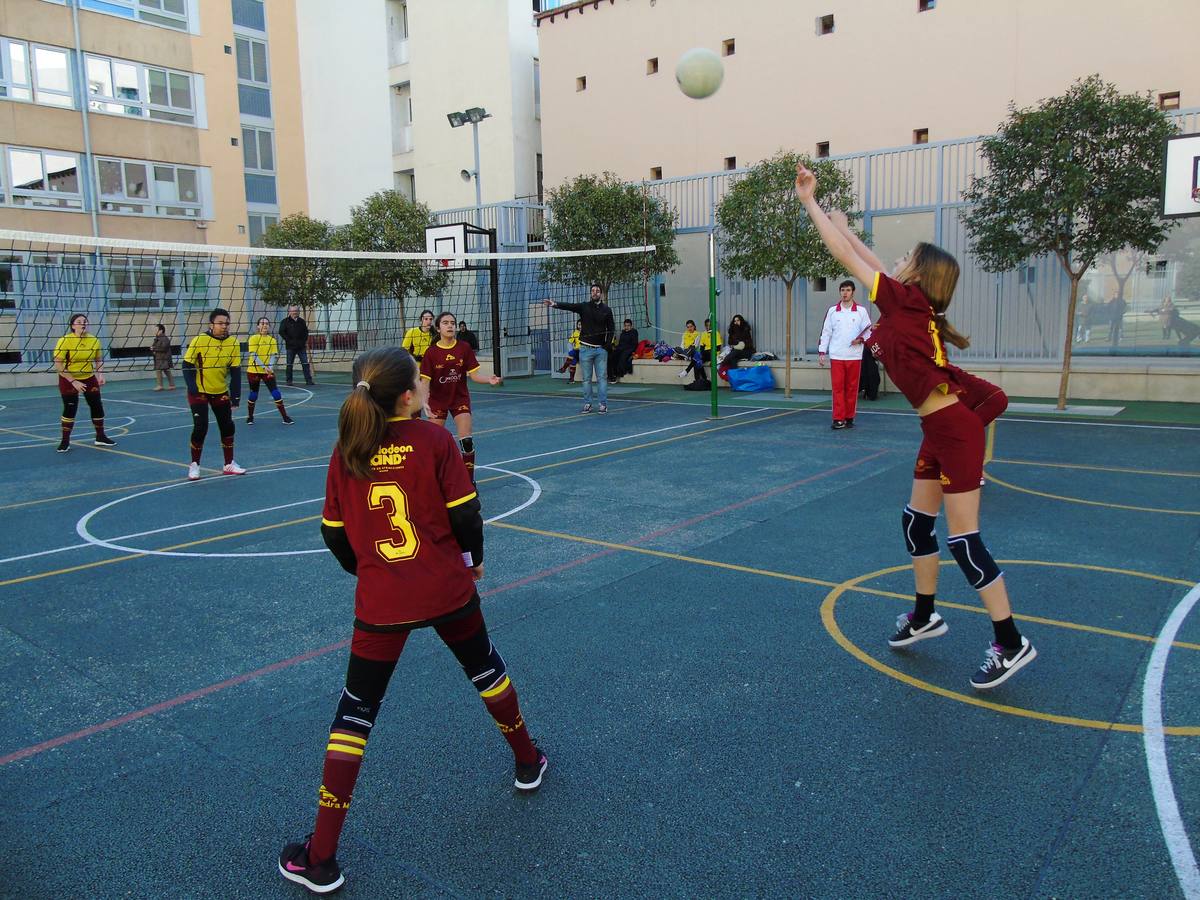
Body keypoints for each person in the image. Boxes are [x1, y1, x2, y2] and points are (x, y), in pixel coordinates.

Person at [278, 346, 546, 895]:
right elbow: (466, 514)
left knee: (355, 715)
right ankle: (527, 761)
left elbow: (333, 534)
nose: (426, 382)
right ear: (406, 395)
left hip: (382, 602)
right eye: (419, 379)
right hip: (447, 589)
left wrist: (370, 569)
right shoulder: (435, 440)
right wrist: (474, 563)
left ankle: (322, 856)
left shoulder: (347, 448)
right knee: (485, 670)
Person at [795, 163, 1036, 689]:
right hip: (938, 430)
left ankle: (1012, 642)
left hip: (951, 429)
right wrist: (842, 217)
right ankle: (926, 615)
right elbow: (862, 255)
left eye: (906, 259)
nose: (896, 262)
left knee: (965, 542)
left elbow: (846, 258)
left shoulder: (903, 300)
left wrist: (811, 205)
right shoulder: (910, 303)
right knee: (915, 525)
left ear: (918, 277)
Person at [420, 311, 502, 483]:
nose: (450, 325)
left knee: (467, 441)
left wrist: (489, 379)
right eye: (445, 323)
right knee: (435, 444)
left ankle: (469, 482)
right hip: (437, 401)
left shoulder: (464, 348)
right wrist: (423, 401)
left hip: (459, 399)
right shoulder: (431, 353)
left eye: (452, 323)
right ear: (438, 328)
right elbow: (425, 383)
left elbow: (474, 376)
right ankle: (437, 481)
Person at [182, 307, 246, 480]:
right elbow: (186, 365)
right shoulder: (200, 340)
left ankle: (229, 463)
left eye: (226, 323)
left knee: (227, 426)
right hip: (199, 392)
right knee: (201, 427)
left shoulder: (233, 343)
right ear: (211, 324)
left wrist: (236, 396)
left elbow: (235, 371)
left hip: (220, 391)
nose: (224, 326)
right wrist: (192, 387)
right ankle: (194, 465)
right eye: (220, 323)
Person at [543, 284, 614, 414]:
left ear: (601, 294)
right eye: (593, 291)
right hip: (585, 349)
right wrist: (554, 303)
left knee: (602, 378)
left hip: (600, 350)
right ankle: (588, 404)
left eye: (597, 291)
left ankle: (603, 405)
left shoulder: (607, 310)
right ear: (590, 293)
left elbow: (611, 329)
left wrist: (607, 345)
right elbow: (569, 306)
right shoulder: (584, 306)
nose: (595, 292)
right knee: (586, 379)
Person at [53, 313, 115, 452]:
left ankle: (100, 437)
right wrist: (73, 381)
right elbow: (58, 364)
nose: (83, 323)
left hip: (88, 377)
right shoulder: (64, 340)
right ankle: (65, 441)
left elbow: (98, 359)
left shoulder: (94, 340)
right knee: (70, 408)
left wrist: (100, 374)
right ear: (73, 325)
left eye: (85, 321)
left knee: (97, 405)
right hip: (68, 377)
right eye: (79, 321)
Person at [818, 281, 873, 429]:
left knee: (852, 388)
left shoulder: (861, 311)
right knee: (837, 388)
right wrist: (822, 351)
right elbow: (826, 332)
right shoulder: (832, 311)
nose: (845, 293)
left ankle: (849, 417)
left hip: (854, 356)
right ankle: (838, 418)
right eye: (842, 290)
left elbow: (868, 331)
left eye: (848, 290)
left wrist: (860, 339)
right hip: (836, 356)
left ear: (853, 292)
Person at [246, 316, 294, 426]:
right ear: (258, 326)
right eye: (262, 323)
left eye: (267, 323)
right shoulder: (253, 339)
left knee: (276, 393)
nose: (264, 325)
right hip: (254, 370)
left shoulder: (272, 340)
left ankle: (285, 417)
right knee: (253, 394)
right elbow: (254, 355)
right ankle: (250, 417)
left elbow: (273, 355)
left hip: (267, 371)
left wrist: (270, 367)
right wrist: (264, 367)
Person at [279, 305, 315, 386]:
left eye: (296, 310)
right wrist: (289, 340)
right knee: (289, 364)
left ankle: (308, 380)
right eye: (293, 310)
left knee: (305, 363)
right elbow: (281, 332)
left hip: (301, 347)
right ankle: (289, 381)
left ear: (298, 311)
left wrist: (303, 341)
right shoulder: (285, 321)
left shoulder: (302, 321)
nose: (294, 312)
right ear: (289, 312)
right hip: (290, 347)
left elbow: (306, 332)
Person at [608, 318, 639, 383]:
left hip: (629, 349)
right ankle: (611, 375)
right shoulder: (623, 333)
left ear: (631, 326)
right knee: (612, 356)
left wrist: (627, 350)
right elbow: (620, 344)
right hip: (621, 348)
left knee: (623, 357)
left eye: (628, 326)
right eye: (625, 326)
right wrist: (616, 347)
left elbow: (634, 344)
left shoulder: (634, 332)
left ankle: (618, 374)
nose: (626, 327)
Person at [150, 324, 175, 391]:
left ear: (160, 330)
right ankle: (170, 385)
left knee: (162, 371)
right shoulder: (157, 338)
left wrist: (154, 349)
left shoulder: (164, 338)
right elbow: (156, 347)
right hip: (159, 358)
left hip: (164, 358)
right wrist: (153, 349)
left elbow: (164, 348)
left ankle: (161, 385)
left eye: (156, 329)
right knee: (165, 371)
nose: (154, 331)